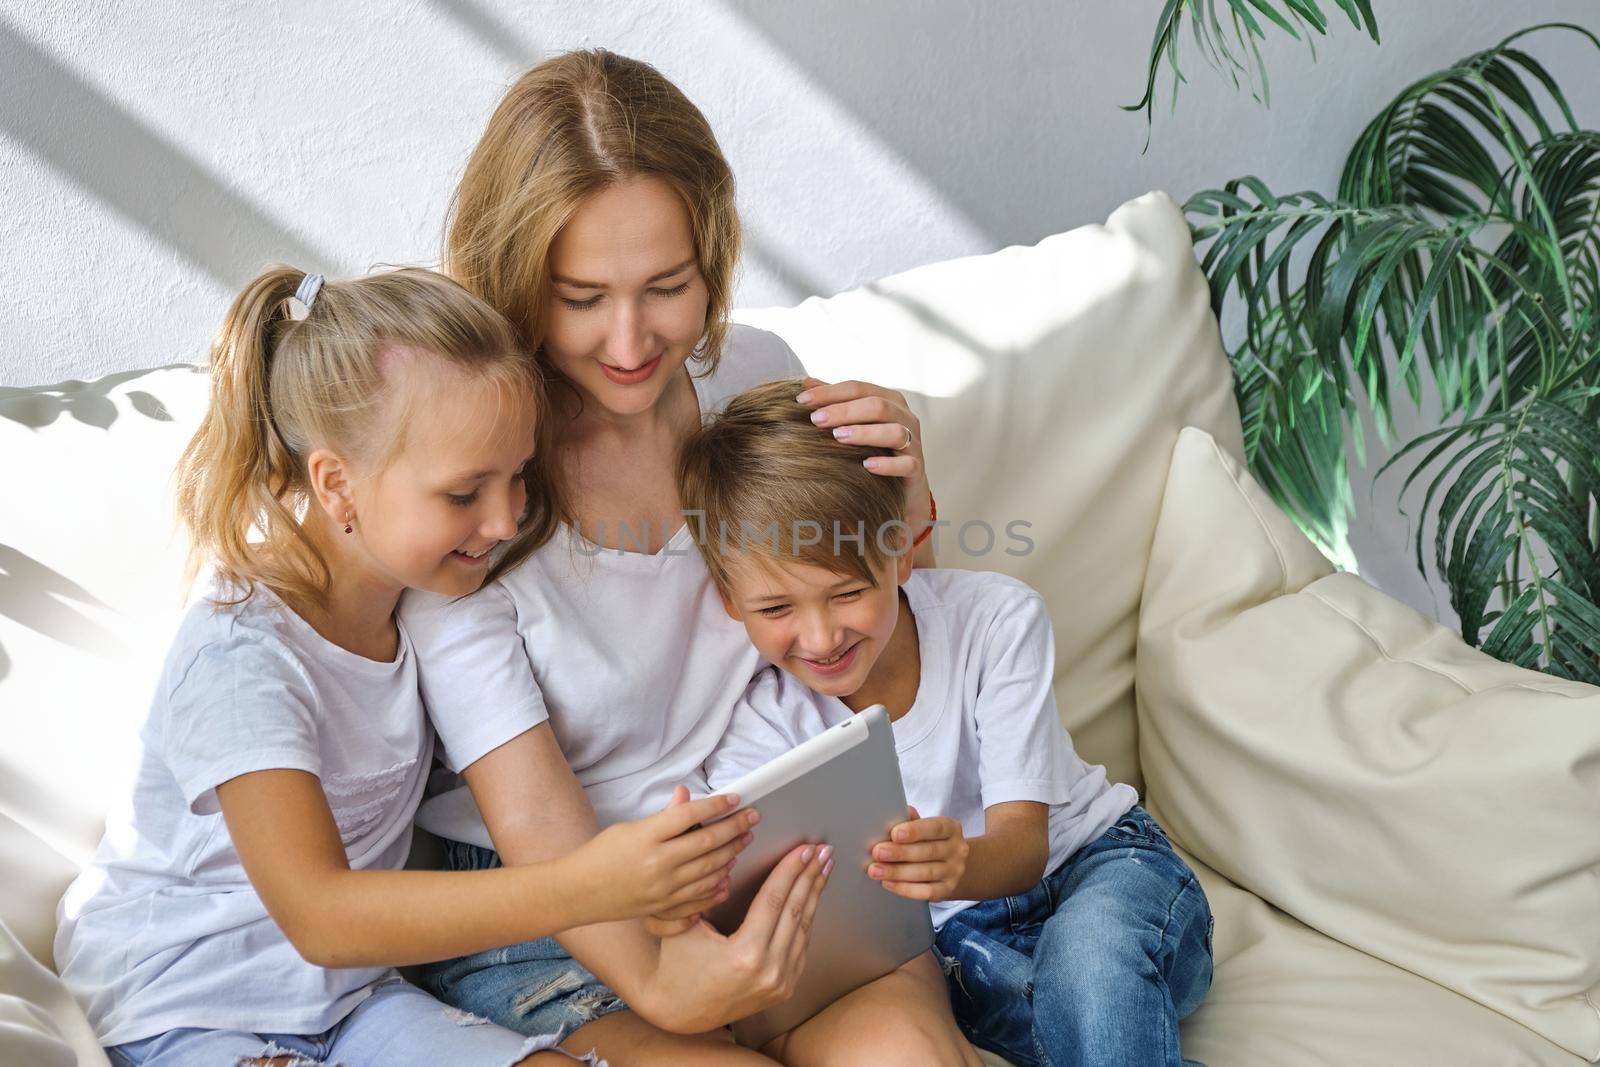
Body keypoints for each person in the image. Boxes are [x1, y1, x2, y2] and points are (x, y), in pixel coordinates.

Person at [54, 265, 825, 1067]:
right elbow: (321, 914)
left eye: (518, 474)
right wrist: (602, 881)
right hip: (189, 1002)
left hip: (353, 997)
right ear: (336, 483)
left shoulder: (418, 601)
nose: (506, 519)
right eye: (464, 493)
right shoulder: (244, 655)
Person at [401, 48, 975, 1065]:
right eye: (579, 296)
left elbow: (868, 642)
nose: (629, 340)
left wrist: (905, 505)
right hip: (565, 914)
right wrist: (669, 981)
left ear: (710, 254)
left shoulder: (756, 377)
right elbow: (538, 826)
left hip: (782, 849)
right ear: (515, 277)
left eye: (666, 286)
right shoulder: (471, 483)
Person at [684, 379, 1216, 1067]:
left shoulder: (995, 620)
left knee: (1089, 970)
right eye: (776, 608)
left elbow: (1024, 843)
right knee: (1065, 1020)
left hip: (1099, 867)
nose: (819, 637)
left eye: (847, 592)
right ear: (729, 600)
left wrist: (956, 860)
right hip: (962, 941)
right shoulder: (759, 726)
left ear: (902, 553)